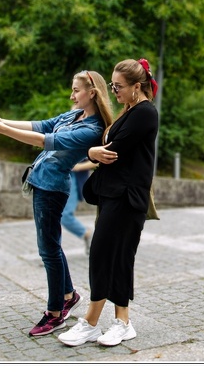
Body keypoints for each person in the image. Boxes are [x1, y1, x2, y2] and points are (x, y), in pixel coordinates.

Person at [0, 70, 113, 337]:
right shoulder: (75, 115)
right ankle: (68, 295)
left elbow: (46, 141)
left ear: (92, 93)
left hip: (53, 190)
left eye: (76, 90)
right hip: (43, 184)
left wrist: (2, 130)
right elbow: (42, 125)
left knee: (48, 250)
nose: (72, 94)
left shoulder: (92, 128)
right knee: (51, 246)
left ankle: (55, 314)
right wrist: (1, 120)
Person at [59, 58, 159, 348]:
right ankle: (122, 322)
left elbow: (111, 152)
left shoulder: (145, 113)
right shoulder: (130, 111)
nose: (113, 90)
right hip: (115, 196)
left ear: (136, 87)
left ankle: (91, 322)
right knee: (116, 258)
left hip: (128, 198)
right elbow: (105, 152)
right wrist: (94, 151)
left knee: (105, 254)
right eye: (112, 85)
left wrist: (91, 151)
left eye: (118, 86)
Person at [62, 159, 97, 254]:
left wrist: (77, 167)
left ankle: (88, 234)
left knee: (65, 216)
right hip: (59, 175)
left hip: (73, 178)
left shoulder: (88, 144)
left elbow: (97, 160)